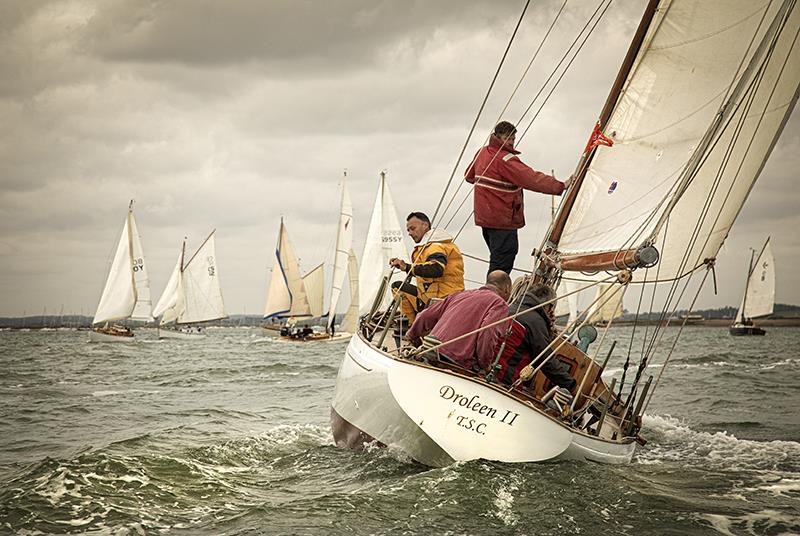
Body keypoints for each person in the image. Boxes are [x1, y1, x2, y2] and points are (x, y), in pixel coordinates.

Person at [465, 121, 570, 275]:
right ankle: (492, 297)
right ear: (499, 137)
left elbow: (469, 176)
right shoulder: (506, 160)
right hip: (502, 221)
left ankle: (490, 294)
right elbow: (531, 178)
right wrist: (560, 186)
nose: (511, 142)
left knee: (497, 259)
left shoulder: (482, 152)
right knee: (502, 263)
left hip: (485, 220)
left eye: (513, 139)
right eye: (508, 138)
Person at [405, 271, 512, 371]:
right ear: (507, 288)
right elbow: (487, 332)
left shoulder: (460, 294)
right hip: (456, 361)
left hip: (430, 349)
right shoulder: (500, 304)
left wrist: (412, 336)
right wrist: (484, 365)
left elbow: (425, 315)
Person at [492, 282, 576, 390]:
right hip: (506, 380)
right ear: (548, 305)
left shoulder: (509, 308)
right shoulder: (536, 322)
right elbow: (546, 361)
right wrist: (572, 386)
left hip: (486, 371)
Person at [389, 212, 465, 322]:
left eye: (413, 228)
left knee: (397, 288)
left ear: (425, 226)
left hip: (442, 299)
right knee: (398, 287)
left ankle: (412, 328)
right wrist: (404, 267)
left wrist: (406, 267)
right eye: (408, 230)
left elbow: (436, 269)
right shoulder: (433, 245)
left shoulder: (435, 246)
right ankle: (413, 326)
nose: (410, 233)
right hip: (432, 296)